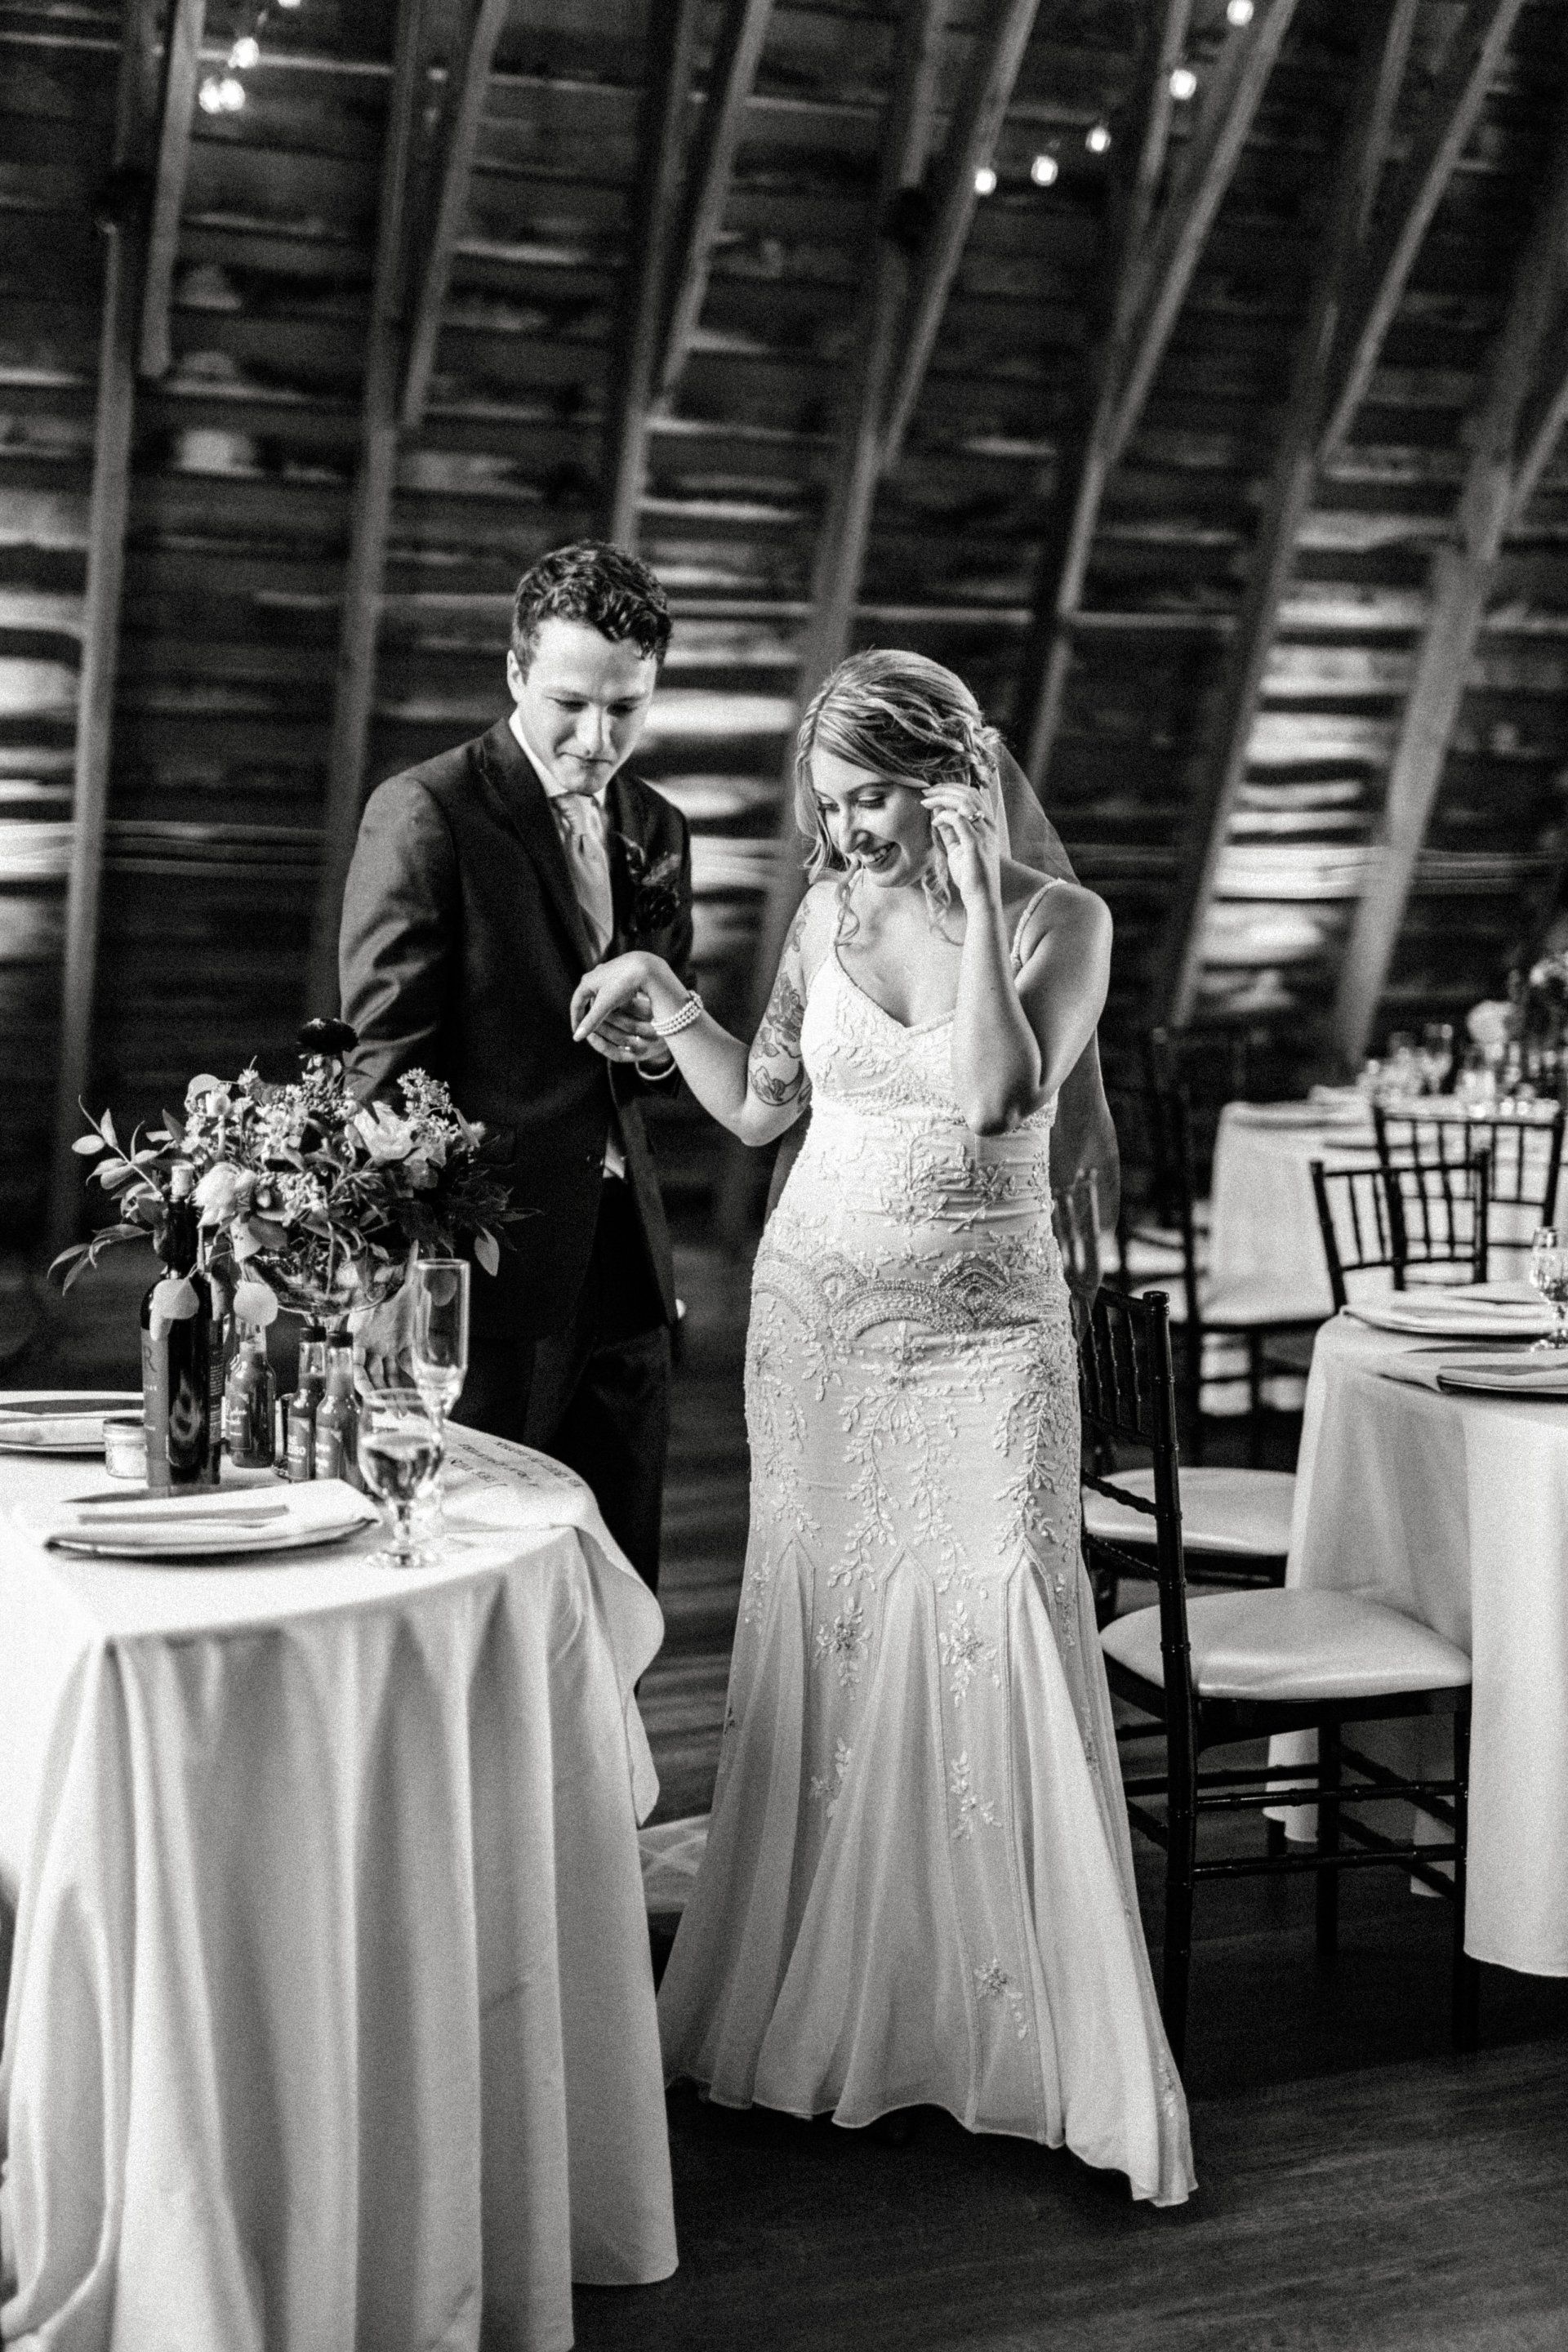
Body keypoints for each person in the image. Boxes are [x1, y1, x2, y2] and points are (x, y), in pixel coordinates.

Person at [571, 649, 1194, 2205]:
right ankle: (842, 2003)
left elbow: (996, 1095)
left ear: (953, 785)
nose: (845, 834)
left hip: (988, 1347)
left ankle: (1021, 2039)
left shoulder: (1062, 925)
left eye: (871, 802)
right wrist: (669, 1002)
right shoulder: (824, 919)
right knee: (838, 1634)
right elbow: (761, 1106)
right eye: (830, 806)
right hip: (820, 1338)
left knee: (996, 1618)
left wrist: (976, 901)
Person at [338, 541, 693, 1590]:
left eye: (626, 709)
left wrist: (658, 1050)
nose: (597, 740)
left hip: (628, 1262)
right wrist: (399, 1280)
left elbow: (666, 1026)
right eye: (569, 705)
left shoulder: (659, 825)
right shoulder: (428, 811)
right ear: (514, 673)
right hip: (484, 1276)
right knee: (482, 1573)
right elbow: (384, 1067)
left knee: (619, 1574)